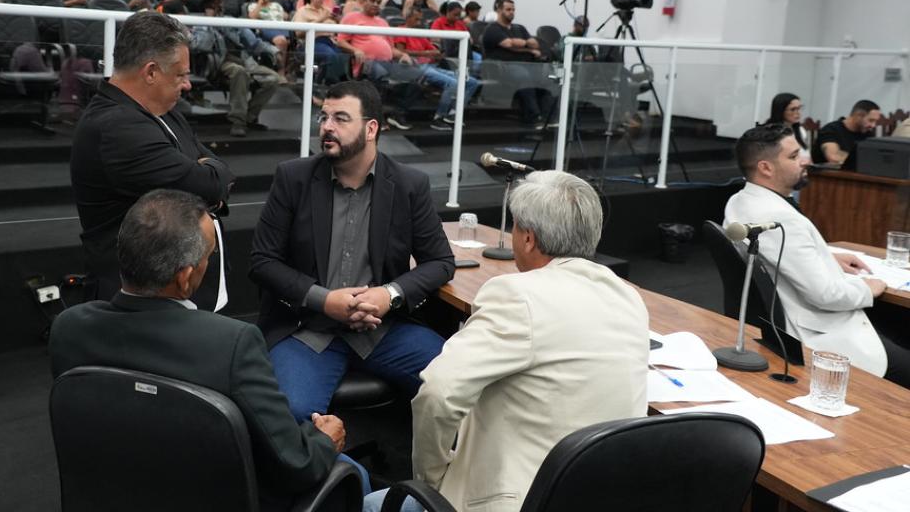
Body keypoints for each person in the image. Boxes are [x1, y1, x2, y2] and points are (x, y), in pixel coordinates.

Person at [50, 189, 361, 512]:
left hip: (113, 496)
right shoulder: (232, 343)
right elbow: (297, 465)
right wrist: (325, 440)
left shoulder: (68, 329)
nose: (209, 263)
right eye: (209, 256)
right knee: (358, 479)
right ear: (184, 278)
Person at [365, 171, 648, 512]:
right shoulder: (628, 298)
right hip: (598, 496)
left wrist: (430, 482)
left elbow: (439, 394)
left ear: (527, 238)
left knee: (369, 505)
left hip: (520, 500)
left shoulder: (517, 295)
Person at [249, 81, 454, 422]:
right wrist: (324, 300)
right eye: (324, 117)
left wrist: (390, 294)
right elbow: (262, 261)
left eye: (340, 118)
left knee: (460, 381)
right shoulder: (293, 178)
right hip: (308, 329)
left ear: (371, 129)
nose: (327, 127)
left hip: (385, 330)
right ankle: (333, 460)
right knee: (290, 416)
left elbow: (440, 262)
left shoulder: (408, 184)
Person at [725, 123, 909, 386]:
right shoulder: (780, 217)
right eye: (793, 156)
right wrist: (868, 288)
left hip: (776, 325)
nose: (805, 161)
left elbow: (777, 254)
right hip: (820, 333)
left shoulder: (740, 201)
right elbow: (826, 295)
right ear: (765, 168)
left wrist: (827, 258)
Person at [71, 11, 234, 302]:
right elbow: (209, 184)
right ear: (150, 72)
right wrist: (210, 182)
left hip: (177, 293)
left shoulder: (162, 111)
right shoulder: (116, 128)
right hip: (139, 304)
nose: (188, 84)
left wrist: (209, 175)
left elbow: (212, 169)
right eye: (181, 75)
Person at [189, 0, 281, 137]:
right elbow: (201, 46)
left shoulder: (231, 21)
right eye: (213, 3)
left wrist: (274, 51)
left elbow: (254, 42)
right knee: (239, 72)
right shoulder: (200, 24)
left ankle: (249, 117)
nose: (217, 5)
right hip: (219, 64)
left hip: (243, 60)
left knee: (273, 79)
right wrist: (209, 22)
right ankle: (238, 121)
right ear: (206, 6)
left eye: (219, 2)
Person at [337, 0, 420, 130]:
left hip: (387, 63)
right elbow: (341, 41)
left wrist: (402, 55)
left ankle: (397, 114)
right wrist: (355, 50)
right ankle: (375, 117)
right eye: (372, 0)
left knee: (416, 76)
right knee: (380, 73)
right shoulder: (351, 18)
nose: (375, 4)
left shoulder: (383, 22)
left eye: (378, 2)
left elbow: (391, 48)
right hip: (365, 64)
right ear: (364, 1)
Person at [396, 8, 480, 130]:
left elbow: (433, 50)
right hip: (417, 67)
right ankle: (439, 117)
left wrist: (436, 53)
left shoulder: (419, 32)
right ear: (408, 18)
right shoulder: (401, 31)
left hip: (432, 66)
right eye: (416, 19)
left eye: (420, 19)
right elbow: (400, 52)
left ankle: (453, 114)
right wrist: (426, 53)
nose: (419, 22)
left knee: (472, 82)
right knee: (453, 83)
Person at [481, 0, 552, 127]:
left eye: (513, 10)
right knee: (523, 76)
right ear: (499, 10)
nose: (512, 12)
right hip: (501, 66)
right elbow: (508, 44)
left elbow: (535, 44)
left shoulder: (519, 28)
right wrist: (527, 46)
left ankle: (549, 118)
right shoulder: (492, 29)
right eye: (508, 9)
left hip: (525, 65)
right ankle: (534, 116)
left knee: (546, 79)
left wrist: (521, 44)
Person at [813, 100, 881, 168]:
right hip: (826, 173)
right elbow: (833, 157)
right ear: (858, 115)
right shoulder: (831, 129)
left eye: (875, 121)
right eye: (871, 120)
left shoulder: (867, 133)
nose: (873, 125)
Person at [247, 0, 291, 74]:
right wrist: (260, 3)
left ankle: (279, 68)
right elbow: (252, 17)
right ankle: (280, 71)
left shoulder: (276, 5)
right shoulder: (253, 6)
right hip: (266, 30)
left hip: (281, 28)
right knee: (281, 41)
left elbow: (286, 16)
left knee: (285, 39)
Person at [432, 0, 482, 75]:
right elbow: (434, 39)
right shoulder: (438, 22)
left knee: (480, 61)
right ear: (448, 12)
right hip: (448, 54)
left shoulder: (460, 24)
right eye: (455, 15)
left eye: (459, 15)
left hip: (464, 52)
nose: (457, 17)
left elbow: (470, 40)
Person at [765, 93, 810, 163]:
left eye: (799, 108)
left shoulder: (801, 130)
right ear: (780, 111)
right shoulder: (771, 131)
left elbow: (807, 154)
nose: (798, 113)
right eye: (793, 109)